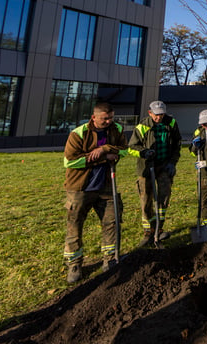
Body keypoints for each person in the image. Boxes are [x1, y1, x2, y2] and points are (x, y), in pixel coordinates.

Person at [62, 101, 127, 283]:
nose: (108, 121)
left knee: (112, 222)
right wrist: (102, 158)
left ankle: (109, 259)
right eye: (104, 119)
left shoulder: (116, 130)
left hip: (106, 185)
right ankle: (74, 264)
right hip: (80, 188)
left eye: (111, 118)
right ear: (94, 117)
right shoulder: (78, 134)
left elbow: (123, 151)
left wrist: (105, 149)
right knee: (74, 226)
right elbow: (70, 161)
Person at [128, 100, 182, 246]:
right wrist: (144, 152)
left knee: (163, 198)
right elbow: (131, 147)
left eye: (162, 114)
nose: (159, 117)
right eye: (156, 115)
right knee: (146, 199)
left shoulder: (171, 123)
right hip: (147, 168)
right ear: (150, 113)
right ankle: (148, 231)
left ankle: (159, 228)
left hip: (165, 166)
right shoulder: (143, 126)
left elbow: (177, 143)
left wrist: (172, 162)